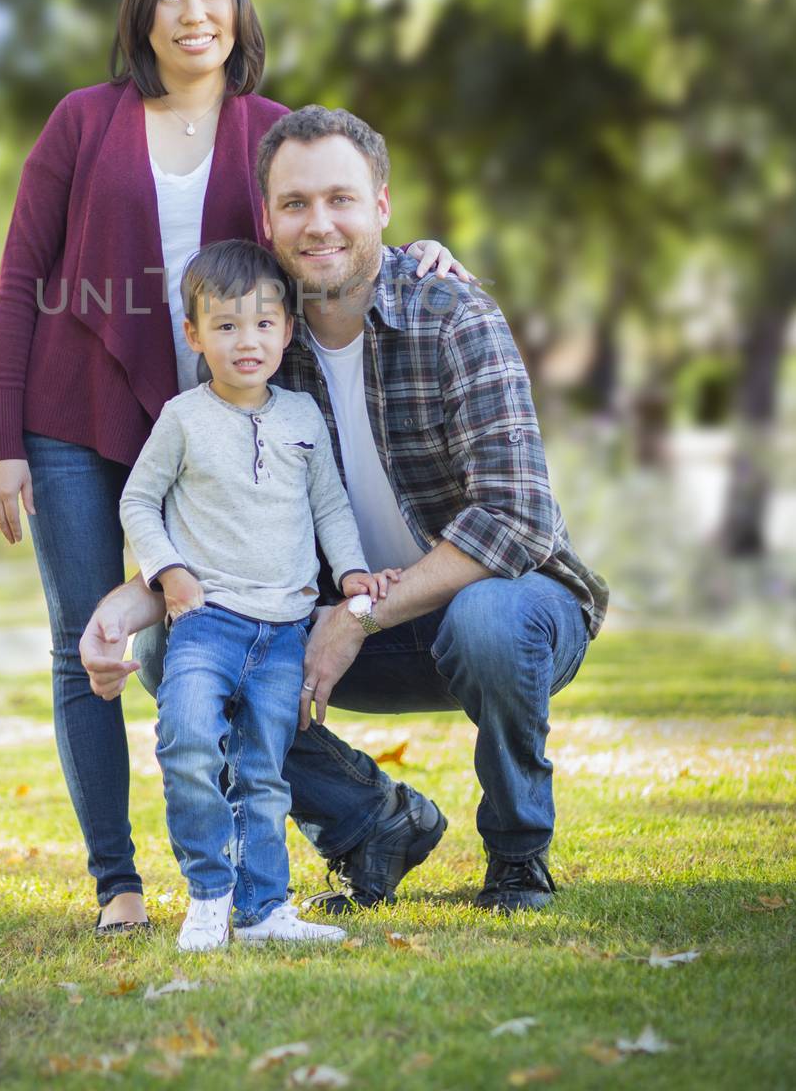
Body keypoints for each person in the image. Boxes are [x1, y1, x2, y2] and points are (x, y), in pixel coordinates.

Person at [0, 0, 463, 932]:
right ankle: (115, 879)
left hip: (221, 425)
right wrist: (0, 441)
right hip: (76, 414)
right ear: (140, 11)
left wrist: (415, 249)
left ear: (235, 4)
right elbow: (19, 281)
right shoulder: (79, 121)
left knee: (221, 633)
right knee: (87, 643)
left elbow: (328, 222)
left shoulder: (268, 128)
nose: (192, 12)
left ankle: (361, 816)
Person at [82, 106, 610, 915]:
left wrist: (357, 613)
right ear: (267, 219)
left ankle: (516, 856)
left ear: (382, 207)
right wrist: (126, 605)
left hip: (500, 616)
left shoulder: (452, 317)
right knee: (169, 652)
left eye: (341, 199)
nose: (318, 223)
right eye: (294, 204)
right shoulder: (254, 348)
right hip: (341, 629)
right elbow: (207, 537)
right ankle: (372, 823)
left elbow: (515, 519)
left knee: (491, 619)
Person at [121, 238, 403, 950]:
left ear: (285, 329)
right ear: (194, 335)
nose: (246, 341)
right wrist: (168, 572)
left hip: (283, 632)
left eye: (263, 323)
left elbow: (331, 507)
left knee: (263, 773)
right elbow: (137, 503)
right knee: (187, 745)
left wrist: (349, 576)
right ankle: (209, 893)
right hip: (207, 623)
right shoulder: (182, 418)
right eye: (225, 326)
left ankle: (265, 909)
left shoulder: (302, 416)